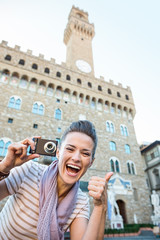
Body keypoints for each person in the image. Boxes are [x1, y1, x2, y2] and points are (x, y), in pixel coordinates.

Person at [0, 120, 113, 240]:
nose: (76, 158)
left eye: (85, 154)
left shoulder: (81, 202)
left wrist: (100, 206)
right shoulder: (29, 171)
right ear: (58, 152)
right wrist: (4, 167)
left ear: (91, 162)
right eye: (70, 149)